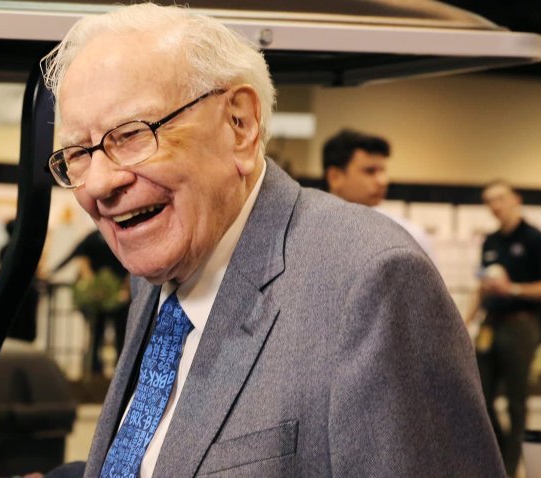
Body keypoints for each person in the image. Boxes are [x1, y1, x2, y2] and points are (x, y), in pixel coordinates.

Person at [38, 3, 503, 477]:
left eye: (131, 135)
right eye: (77, 154)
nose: (97, 184)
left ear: (239, 125)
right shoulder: (162, 269)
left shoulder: (371, 284)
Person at [466, 180, 541, 476]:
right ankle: (498, 456)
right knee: (479, 395)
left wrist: (514, 289)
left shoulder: (536, 239)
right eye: (489, 201)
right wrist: (462, 322)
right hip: (490, 326)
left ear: (515, 199)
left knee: (517, 402)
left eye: (500, 198)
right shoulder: (490, 241)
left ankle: (507, 468)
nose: (495, 206)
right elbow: (481, 288)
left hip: (521, 326)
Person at [322, 128, 436, 262]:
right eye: (370, 171)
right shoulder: (309, 233)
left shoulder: (408, 237)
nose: (382, 181)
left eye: (382, 171)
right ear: (335, 177)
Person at [55, 229, 129, 376]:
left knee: (116, 334)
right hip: (103, 296)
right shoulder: (99, 236)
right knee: (100, 333)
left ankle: (115, 371)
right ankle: (98, 371)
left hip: (118, 294)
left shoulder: (107, 235)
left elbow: (76, 255)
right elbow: (80, 257)